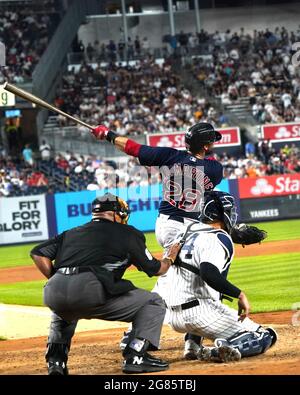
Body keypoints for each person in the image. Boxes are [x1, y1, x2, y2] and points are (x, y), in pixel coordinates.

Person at [91, 122, 224, 356]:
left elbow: (132, 147)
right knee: (200, 276)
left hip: (164, 223)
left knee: (173, 275)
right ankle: (189, 340)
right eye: (211, 140)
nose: (213, 143)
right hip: (186, 226)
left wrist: (108, 135)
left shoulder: (169, 155)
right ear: (205, 145)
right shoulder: (214, 169)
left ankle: (143, 332)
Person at [30, 193, 181, 375]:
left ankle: (56, 363)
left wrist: (58, 278)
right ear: (115, 214)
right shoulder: (128, 233)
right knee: (153, 302)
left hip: (54, 291)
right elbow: (156, 269)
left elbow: (38, 253)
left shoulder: (71, 232)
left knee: (64, 312)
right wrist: (170, 257)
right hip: (91, 290)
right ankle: (136, 355)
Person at [158, 190, 277, 362]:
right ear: (222, 213)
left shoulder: (184, 230)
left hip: (172, 314)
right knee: (266, 336)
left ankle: (192, 344)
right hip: (201, 314)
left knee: (193, 282)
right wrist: (239, 294)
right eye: (230, 211)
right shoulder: (220, 238)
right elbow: (208, 273)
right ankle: (220, 349)